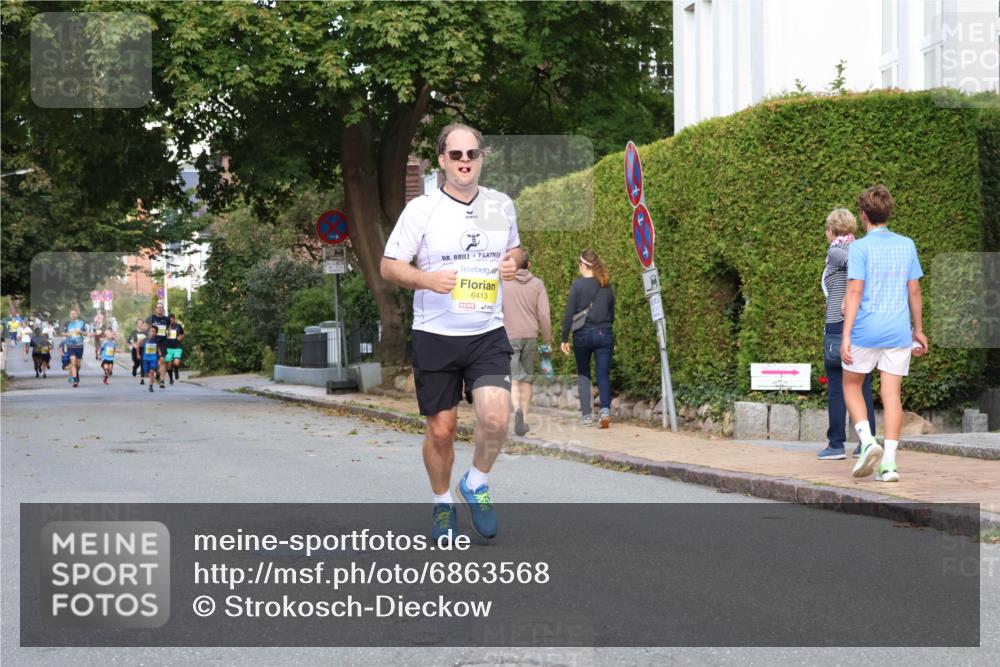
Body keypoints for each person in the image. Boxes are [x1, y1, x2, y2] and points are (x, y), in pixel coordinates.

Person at [381, 122, 521, 543]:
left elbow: (515, 247)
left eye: (471, 154)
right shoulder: (421, 209)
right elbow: (390, 266)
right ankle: (443, 504)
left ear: (481, 159)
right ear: (442, 160)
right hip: (435, 335)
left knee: (496, 417)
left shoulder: (500, 205)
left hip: (486, 332)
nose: (464, 162)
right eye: (455, 155)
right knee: (441, 430)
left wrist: (515, 260)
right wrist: (427, 280)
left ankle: (475, 482)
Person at [841, 185, 927, 483]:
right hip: (898, 331)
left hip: (866, 329)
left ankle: (866, 441)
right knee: (892, 395)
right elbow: (914, 290)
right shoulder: (907, 244)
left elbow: (854, 290)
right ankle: (889, 464)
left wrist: (846, 335)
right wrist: (919, 330)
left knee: (851, 385)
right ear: (888, 213)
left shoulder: (859, 248)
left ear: (863, 215)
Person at [817, 208, 876, 460]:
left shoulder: (837, 250)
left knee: (837, 386)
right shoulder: (861, 248)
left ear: (831, 230)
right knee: (863, 384)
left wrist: (845, 301)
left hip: (838, 325)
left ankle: (835, 444)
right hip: (860, 325)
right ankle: (867, 441)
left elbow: (856, 269)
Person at [561, 250, 616, 428]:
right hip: (604, 334)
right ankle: (605, 411)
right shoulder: (605, 284)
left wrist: (564, 338)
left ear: (582, 265)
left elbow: (569, 313)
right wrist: (606, 327)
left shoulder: (577, 285)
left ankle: (586, 416)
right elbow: (612, 311)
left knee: (584, 374)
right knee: (603, 375)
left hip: (583, 335)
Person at [501, 248, 552, 436]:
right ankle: (525, 419)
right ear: (529, 265)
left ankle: (517, 411)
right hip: (531, 336)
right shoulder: (538, 284)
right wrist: (547, 340)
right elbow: (544, 315)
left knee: (514, 377)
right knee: (527, 378)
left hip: (508, 337)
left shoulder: (503, 283)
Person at [145, 302, 170, 388]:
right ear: (155, 309)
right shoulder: (151, 318)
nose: (160, 309)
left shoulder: (167, 319)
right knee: (154, 361)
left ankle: (162, 381)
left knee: (162, 360)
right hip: (153, 342)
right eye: (158, 307)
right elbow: (145, 328)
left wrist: (168, 332)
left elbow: (169, 329)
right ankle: (157, 373)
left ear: (163, 309)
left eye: (161, 308)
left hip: (163, 342)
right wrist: (150, 333)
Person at [63, 308, 87, 388]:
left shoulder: (82, 323)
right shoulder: (67, 323)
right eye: (71, 314)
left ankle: (76, 373)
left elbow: (86, 333)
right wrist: (67, 334)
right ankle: (74, 380)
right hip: (70, 346)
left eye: (74, 314)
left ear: (77, 315)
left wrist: (81, 332)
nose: (73, 315)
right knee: (73, 362)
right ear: (69, 315)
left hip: (79, 346)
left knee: (78, 364)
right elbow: (63, 333)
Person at [164, 313, 185, 384]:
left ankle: (176, 370)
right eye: (169, 319)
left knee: (176, 363)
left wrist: (180, 338)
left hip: (177, 347)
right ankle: (171, 379)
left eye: (172, 318)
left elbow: (182, 334)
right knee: (169, 366)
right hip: (168, 348)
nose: (171, 320)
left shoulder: (178, 326)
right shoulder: (165, 327)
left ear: (174, 319)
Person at [141, 325, 162, 393]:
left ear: (156, 333)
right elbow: (138, 345)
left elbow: (158, 348)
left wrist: (159, 353)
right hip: (145, 358)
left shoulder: (157, 340)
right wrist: (138, 354)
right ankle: (157, 374)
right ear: (148, 332)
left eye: (154, 331)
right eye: (151, 331)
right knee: (146, 373)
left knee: (152, 371)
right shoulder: (144, 340)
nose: (152, 333)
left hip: (153, 358)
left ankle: (150, 386)